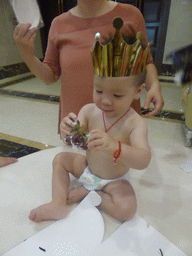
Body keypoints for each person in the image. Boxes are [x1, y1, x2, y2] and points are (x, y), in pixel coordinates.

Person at [28, 18, 151, 223]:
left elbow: (143, 159)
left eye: (117, 95)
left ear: (138, 92)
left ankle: (93, 196)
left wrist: (114, 146)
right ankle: (58, 203)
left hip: (114, 180)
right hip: (87, 168)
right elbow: (75, 139)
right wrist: (69, 129)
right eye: (99, 90)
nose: (105, 100)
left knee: (127, 210)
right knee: (60, 159)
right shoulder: (89, 110)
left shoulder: (134, 123)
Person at [13, 0, 164, 138]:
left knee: (120, 163)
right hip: (77, 122)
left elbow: (146, 61)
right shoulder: (59, 24)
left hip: (120, 122)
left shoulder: (130, 15)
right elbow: (50, 75)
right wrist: (27, 54)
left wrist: (154, 85)